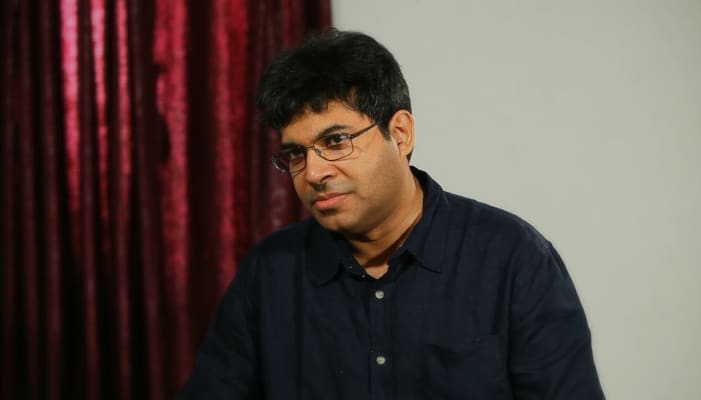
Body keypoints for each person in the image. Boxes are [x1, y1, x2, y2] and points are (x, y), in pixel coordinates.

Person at [178, 28, 605, 400]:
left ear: (400, 133)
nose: (314, 173)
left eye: (336, 141)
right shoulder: (270, 273)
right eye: (296, 153)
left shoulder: (512, 259)